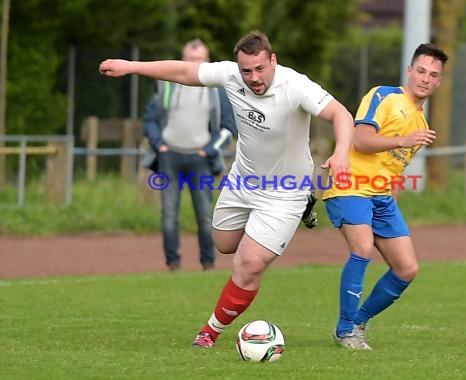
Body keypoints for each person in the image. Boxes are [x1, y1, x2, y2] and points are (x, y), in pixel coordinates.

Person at [99, 30, 354, 348]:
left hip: (285, 191)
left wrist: (341, 151)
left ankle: (209, 332)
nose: (254, 77)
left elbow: (340, 114)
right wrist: (131, 66)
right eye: (247, 70)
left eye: (260, 68)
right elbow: (184, 71)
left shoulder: (295, 85)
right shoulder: (231, 75)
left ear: (273, 60)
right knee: (224, 244)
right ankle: (271, 228)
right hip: (242, 181)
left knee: (248, 264)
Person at [322, 43, 448, 350]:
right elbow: (362, 139)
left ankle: (359, 321)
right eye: (421, 71)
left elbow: (393, 169)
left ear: (439, 82)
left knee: (407, 268)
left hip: (381, 197)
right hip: (349, 185)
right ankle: (345, 331)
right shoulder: (384, 95)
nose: (425, 79)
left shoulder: (422, 125)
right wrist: (403, 139)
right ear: (409, 71)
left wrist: (392, 204)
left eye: (433, 75)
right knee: (363, 249)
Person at [142, 39, 237, 272]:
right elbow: (150, 120)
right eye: (191, 59)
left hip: (201, 160)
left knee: (205, 217)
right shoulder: (166, 86)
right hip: (169, 158)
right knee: (168, 216)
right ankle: (173, 264)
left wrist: (210, 150)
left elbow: (229, 127)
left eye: (200, 58)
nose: (195, 63)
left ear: (207, 61)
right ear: (183, 60)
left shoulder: (218, 91)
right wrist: (159, 144)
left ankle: (208, 264)